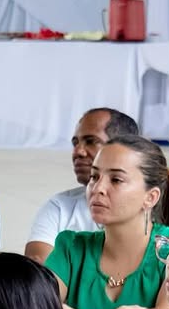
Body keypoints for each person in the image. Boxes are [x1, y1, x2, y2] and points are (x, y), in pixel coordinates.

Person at [44, 135, 169, 309]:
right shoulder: (70, 247)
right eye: (94, 177)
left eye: (116, 180)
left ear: (150, 197)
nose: (97, 188)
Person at [25, 107, 140, 264]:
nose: (78, 152)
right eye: (75, 143)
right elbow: (38, 274)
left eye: (91, 141)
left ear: (124, 148)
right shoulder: (59, 207)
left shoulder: (156, 207)